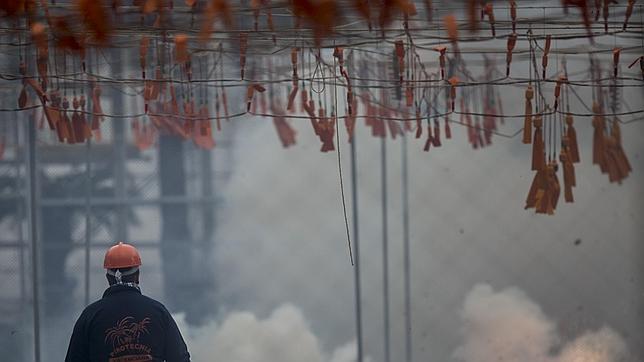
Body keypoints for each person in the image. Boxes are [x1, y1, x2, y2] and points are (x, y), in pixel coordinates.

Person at [65, 242, 191, 362]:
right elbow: (180, 358)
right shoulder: (158, 312)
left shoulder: (90, 315)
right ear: (137, 275)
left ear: (108, 277)